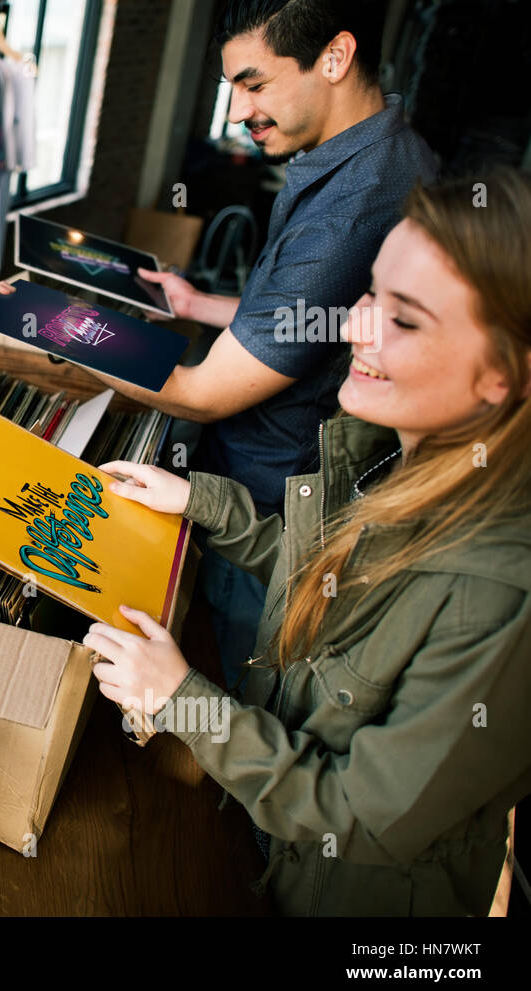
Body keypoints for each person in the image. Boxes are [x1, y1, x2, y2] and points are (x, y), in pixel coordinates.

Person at [84, 168, 531, 916]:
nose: (355, 327)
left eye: (408, 319)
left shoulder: (498, 596)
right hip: (273, 843)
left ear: (505, 374)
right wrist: (205, 504)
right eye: (372, 293)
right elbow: (322, 579)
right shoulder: (396, 448)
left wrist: (181, 700)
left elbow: (360, 812)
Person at [0, 0, 435, 688]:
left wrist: (54, 325)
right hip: (284, 466)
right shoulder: (387, 149)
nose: (235, 112)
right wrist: (204, 304)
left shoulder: (352, 208)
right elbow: (308, 314)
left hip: (276, 485)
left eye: (255, 85)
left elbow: (200, 393)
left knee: (251, 676)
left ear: (336, 59)